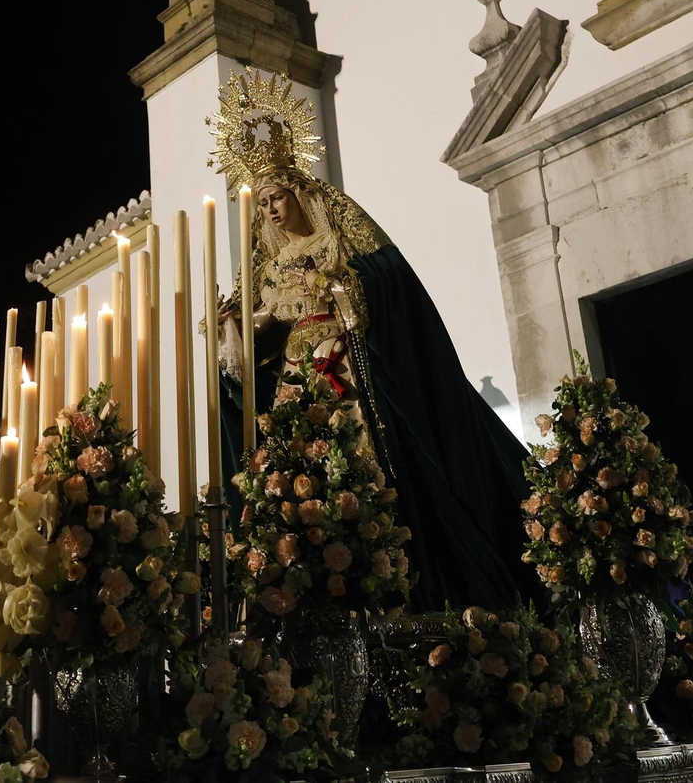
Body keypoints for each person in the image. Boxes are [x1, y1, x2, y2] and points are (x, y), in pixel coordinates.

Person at [209, 70, 535, 611]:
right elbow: (258, 319)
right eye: (261, 201)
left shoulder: (335, 223)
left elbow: (385, 275)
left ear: (296, 191)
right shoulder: (266, 258)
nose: (268, 209)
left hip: (343, 367)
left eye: (275, 196)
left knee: (361, 459)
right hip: (296, 376)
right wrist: (230, 325)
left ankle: (394, 569)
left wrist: (329, 284)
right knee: (299, 471)